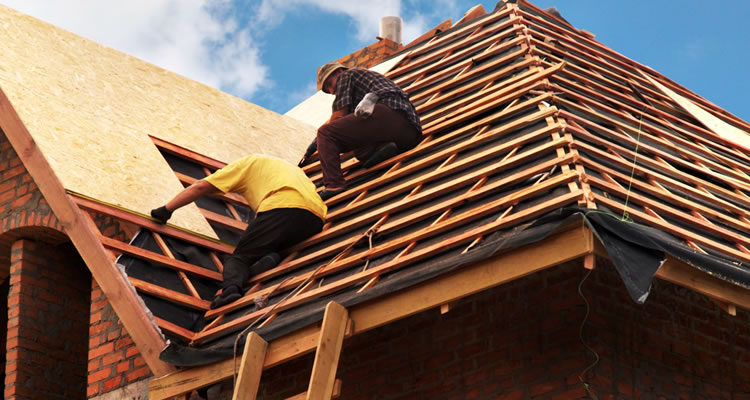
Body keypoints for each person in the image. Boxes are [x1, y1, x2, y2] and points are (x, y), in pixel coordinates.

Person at [150, 154, 326, 309]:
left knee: (238, 258)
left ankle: (230, 290)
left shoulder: (245, 164)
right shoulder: (285, 169)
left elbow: (200, 187)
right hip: (316, 218)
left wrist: (166, 210)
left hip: (282, 206)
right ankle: (270, 258)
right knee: (271, 245)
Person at [308, 63, 422, 200]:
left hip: (388, 114)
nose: (332, 91)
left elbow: (339, 116)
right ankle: (384, 147)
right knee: (359, 149)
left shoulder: (346, 76)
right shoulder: (362, 82)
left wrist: (319, 141)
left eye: (330, 84)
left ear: (338, 72)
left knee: (325, 133)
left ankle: (334, 184)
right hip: (409, 133)